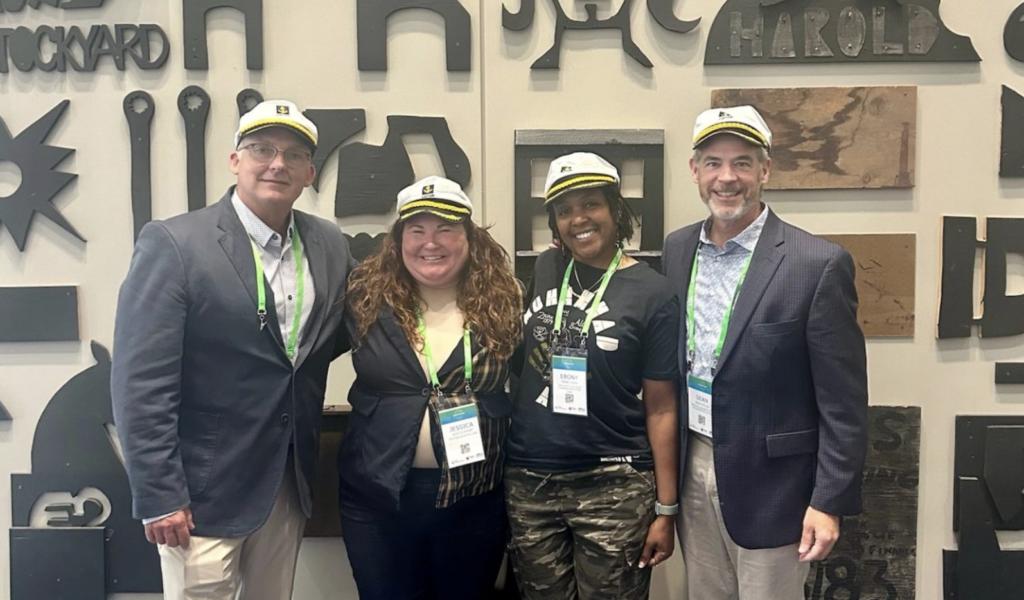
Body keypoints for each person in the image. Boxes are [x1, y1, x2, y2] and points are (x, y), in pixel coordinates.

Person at [111, 100, 355, 600]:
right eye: (261, 149)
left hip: (288, 480)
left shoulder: (329, 244)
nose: (277, 164)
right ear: (235, 160)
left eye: (293, 155)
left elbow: (331, 339)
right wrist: (159, 495)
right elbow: (140, 383)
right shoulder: (176, 244)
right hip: (200, 494)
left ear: (310, 173)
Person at [663, 105, 869, 600]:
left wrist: (829, 500)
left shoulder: (816, 264)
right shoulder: (676, 250)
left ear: (765, 170)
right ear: (694, 171)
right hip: (693, 464)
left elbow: (843, 401)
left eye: (742, 162)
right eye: (713, 162)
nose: (726, 178)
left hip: (777, 485)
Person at [336, 176, 522, 600]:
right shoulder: (363, 299)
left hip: (475, 500)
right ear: (398, 239)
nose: (430, 242)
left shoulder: (506, 300)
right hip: (378, 499)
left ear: (469, 237)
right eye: (416, 230)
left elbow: (534, 381)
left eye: (445, 229)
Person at [506, 152, 680, 600]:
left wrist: (666, 508)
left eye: (591, 205)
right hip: (531, 480)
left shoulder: (654, 292)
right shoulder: (545, 270)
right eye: (564, 210)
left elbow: (661, 407)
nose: (578, 219)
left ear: (616, 210)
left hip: (614, 484)